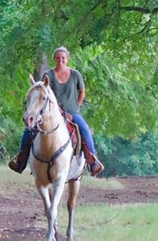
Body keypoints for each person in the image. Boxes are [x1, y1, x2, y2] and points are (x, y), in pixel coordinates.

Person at [9, 46, 104, 176]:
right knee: (29, 130)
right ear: (54, 59)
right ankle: (21, 160)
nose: (60, 60)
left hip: (72, 112)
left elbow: (82, 91)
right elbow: (43, 93)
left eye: (63, 58)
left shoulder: (76, 75)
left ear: (67, 59)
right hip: (51, 113)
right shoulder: (48, 75)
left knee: (84, 128)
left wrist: (77, 106)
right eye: (58, 58)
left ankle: (92, 161)